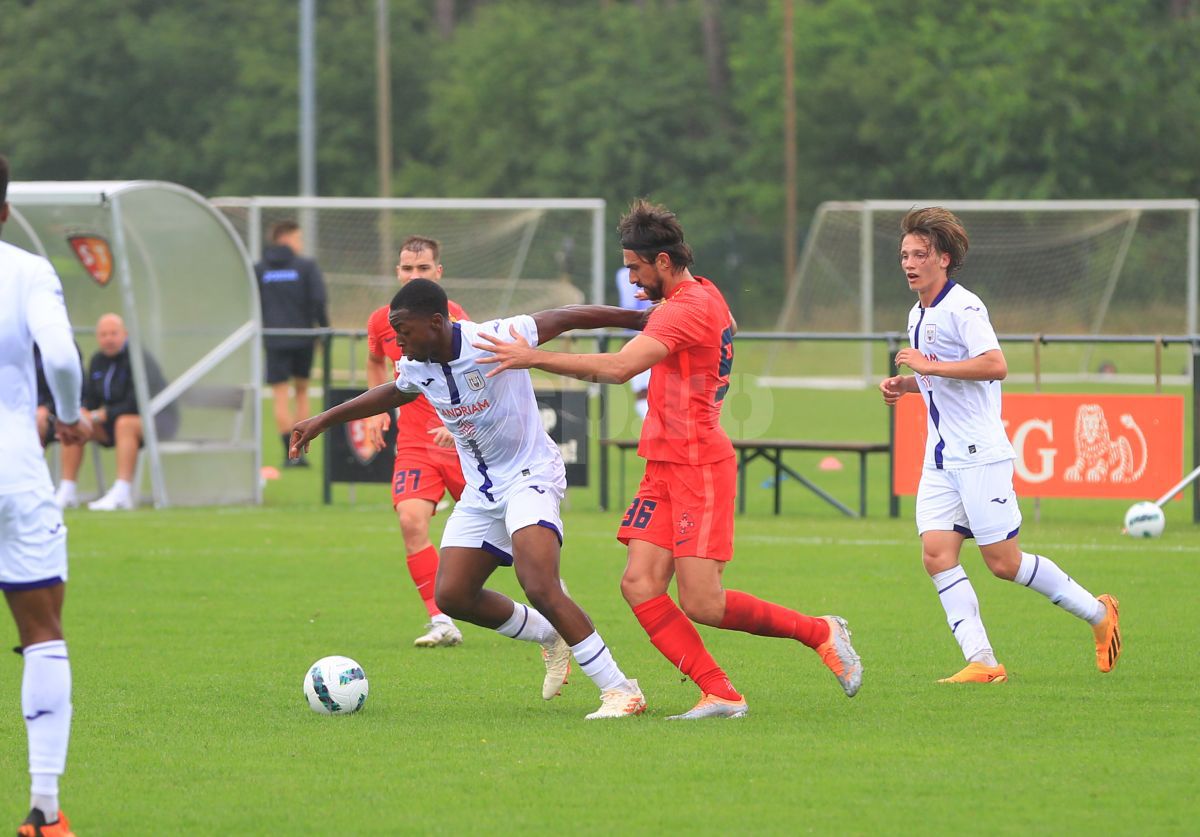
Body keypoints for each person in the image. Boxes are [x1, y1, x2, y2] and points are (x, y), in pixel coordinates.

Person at [474, 199, 862, 719]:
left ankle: (821, 631)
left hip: (698, 464)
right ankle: (720, 692)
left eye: (635, 268)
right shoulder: (704, 295)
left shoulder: (686, 307)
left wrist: (531, 357)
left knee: (704, 603)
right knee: (638, 584)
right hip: (664, 461)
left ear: (663, 261)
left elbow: (618, 369)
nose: (632, 281)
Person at [291, 279, 648, 719]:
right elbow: (391, 391)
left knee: (538, 582)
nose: (397, 341)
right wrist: (322, 421)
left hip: (529, 475)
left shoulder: (492, 337)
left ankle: (620, 690)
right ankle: (549, 634)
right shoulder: (416, 364)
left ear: (437, 322)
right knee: (454, 595)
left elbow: (568, 315)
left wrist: (638, 319)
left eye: (403, 330)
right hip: (482, 490)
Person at [878, 206, 1121, 683]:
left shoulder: (965, 306)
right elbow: (942, 378)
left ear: (943, 259)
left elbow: (995, 365)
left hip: (979, 455)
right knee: (936, 554)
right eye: (904, 254)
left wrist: (928, 367)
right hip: (940, 458)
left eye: (919, 254)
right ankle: (984, 662)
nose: (909, 263)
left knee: (1004, 564)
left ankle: (1099, 613)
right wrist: (906, 386)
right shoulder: (917, 312)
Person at [1, 153, 89, 837]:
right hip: (14, 467)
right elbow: (59, 355)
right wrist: (66, 413)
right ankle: (45, 809)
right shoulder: (26, 270)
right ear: (5, 208)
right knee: (40, 634)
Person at [363, 236, 470, 648]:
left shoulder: (455, 318)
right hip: (414, 443)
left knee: (512, 531)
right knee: (411, 521)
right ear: (397, 272)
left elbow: (477, 369)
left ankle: (551, 591)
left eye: (423, 269)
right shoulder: (381, 321)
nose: (414, 275)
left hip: (462, 443)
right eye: (407, 269)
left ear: (438, 273)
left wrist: (459, 417)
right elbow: (375, 361)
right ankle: (441, 619)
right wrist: (375, 409)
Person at [54, 313, 178, 511]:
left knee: (125, 423)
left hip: (158, 420)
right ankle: (67, 491)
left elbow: (136, 403)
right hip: (113, 422)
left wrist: (101, 415)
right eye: (103, 334)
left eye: (113, 333)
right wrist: (84, 414)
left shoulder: (138, 359)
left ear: (125, 334)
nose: (108, 339)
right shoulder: (97, 361)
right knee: (75, 425)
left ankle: (122, 493)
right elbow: (92, 398)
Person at [256, 219, 329, 467]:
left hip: (273, 337)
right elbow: (318, 299)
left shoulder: (259, 269)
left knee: (279, 395)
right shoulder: (305, 266)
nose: (300, 243)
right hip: (303, 337)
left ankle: (287, 454)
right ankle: (299, 451)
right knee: (301, 391)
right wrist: (323, 330)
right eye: (298, 238)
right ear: (285, 238)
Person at [614, 266, 652, 420]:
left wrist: (625, 340)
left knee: (643, 393)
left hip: (643, 334)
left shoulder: (624, 274)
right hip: (666, 330)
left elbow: (629, 306)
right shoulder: (664, 268)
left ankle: (659, 435)